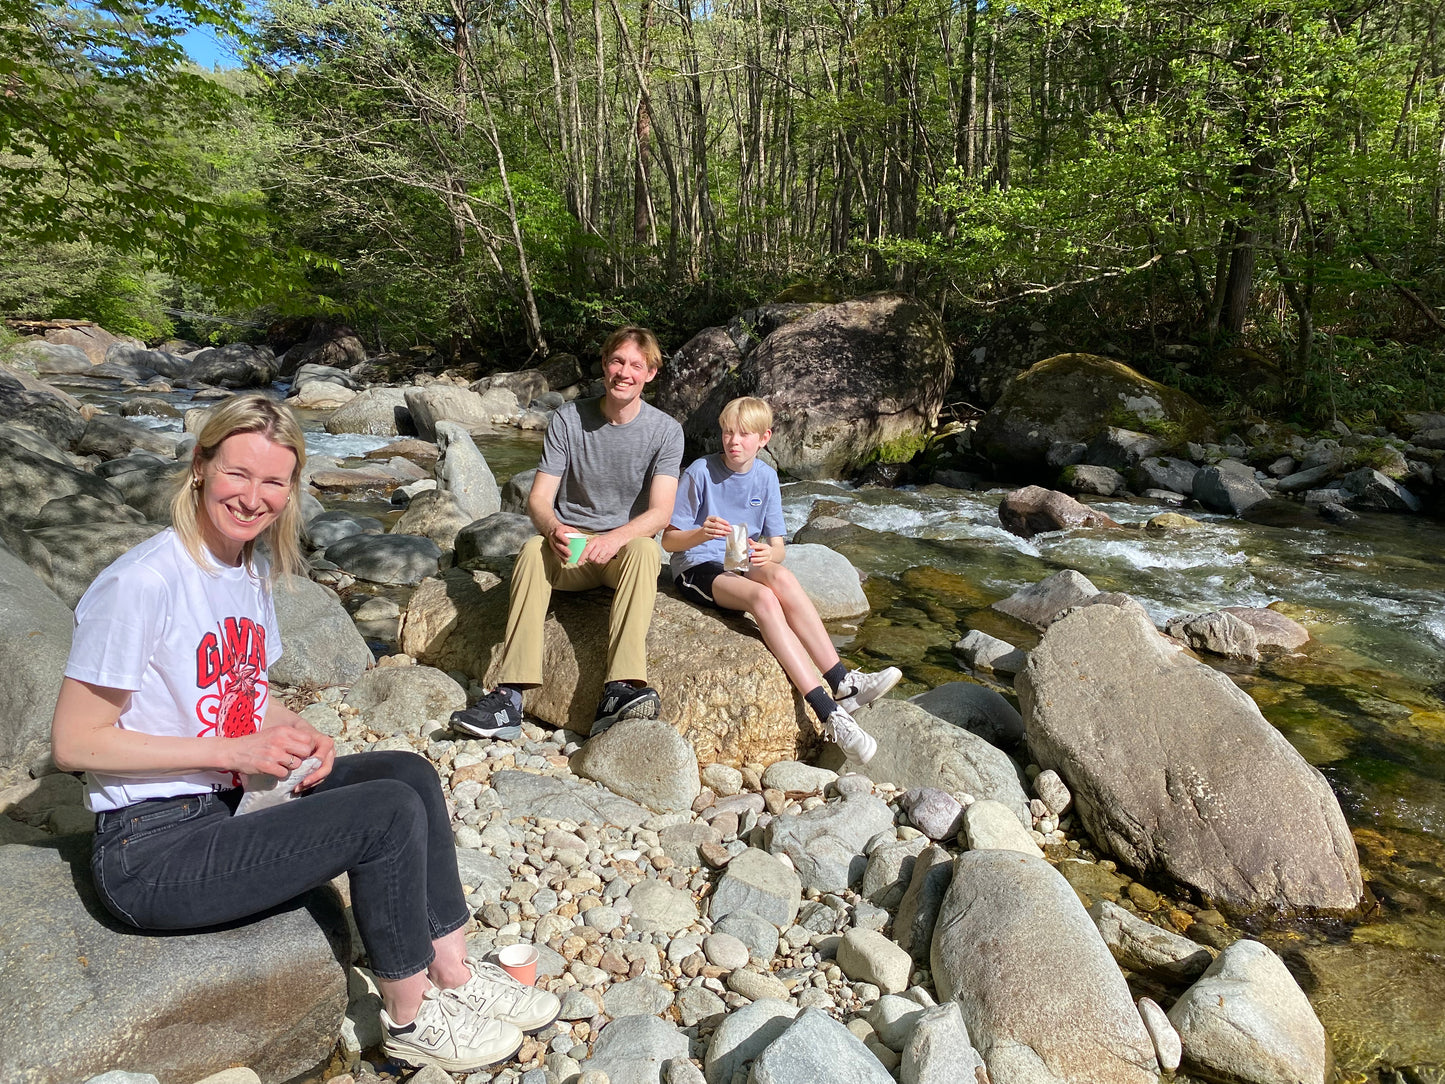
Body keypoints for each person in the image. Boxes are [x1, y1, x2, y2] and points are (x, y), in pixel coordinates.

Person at [50, 393, 557, 1074]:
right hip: (152, 851)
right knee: (383, 816)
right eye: (238, 474)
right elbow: (76, 744)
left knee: (406, 773)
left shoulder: (248, 568)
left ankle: (453, 973)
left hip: (229, 802)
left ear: (291, 490)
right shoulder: (142, 583)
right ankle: (410, 1018)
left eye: (272, 481)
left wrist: (302, 732)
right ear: (200, 467)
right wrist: (231, 752)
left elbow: (240, 695)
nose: (252, 497)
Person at [450, 327, 684, 739]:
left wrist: (614, 539)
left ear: (650, 373)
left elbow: (661, 512)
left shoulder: (666, 431)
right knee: (530, 549)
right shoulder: (569, 418)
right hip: (569, 553)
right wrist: (555, 528)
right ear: (604, 364)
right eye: (617, 361)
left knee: (648, 552)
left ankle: (621, 687)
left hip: (620, 555)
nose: (624, 373)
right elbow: (539, 499)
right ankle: (510, 696)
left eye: (635, 365)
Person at [662, 396, 900, 764]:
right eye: (727, 432)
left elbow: (779, 547)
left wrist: (767, 556)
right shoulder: (700, 471)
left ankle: (842, 682)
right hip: (697, 565)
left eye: (743, 434)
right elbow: (669, 540)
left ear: (764, 438)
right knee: (764, 599)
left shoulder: (766, 477)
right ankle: (828, 713)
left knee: (783, 578)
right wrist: (700, 533)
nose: (733, 441)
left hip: (741, 561)